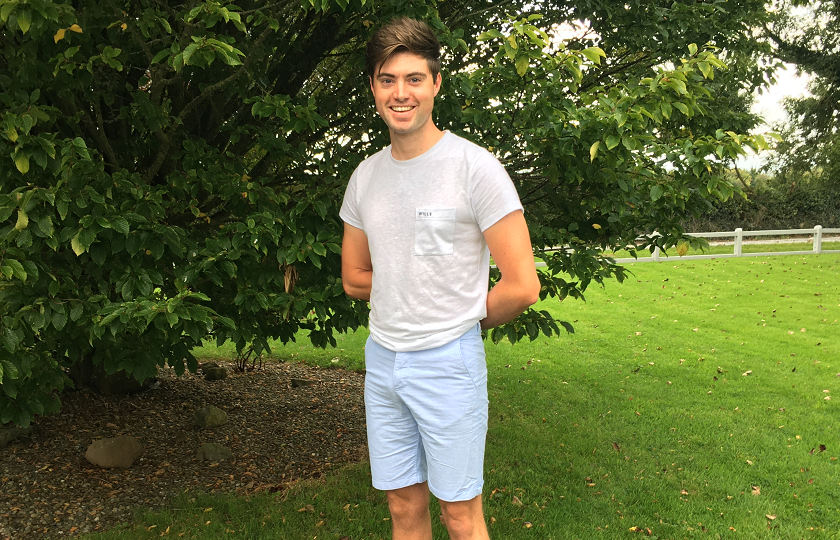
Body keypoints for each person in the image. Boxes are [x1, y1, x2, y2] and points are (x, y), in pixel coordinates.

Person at [340, 17, 541, 540]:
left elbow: (522, 284)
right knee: (403, 509)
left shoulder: (475, 169)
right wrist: (408, 282)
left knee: (460, 515)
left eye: (413, 78)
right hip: (383, 363)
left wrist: (464, 324)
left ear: (435, 85)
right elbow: (355, 276)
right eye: (387, 80)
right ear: (373, 88)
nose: (400, 93)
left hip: (449, 363)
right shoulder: (365, 177)